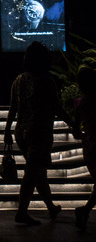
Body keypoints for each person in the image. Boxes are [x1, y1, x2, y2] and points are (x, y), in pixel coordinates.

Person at [4, 41, 67, 226]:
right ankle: (22, 212)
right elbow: (57, 107)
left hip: (21, 132)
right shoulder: (46, 81)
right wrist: (73, 124)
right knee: (32, 173)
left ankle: (50, 207)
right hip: (39, 132)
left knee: (37, 172)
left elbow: (12, 108)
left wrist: (7, 130)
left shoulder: (19, 79)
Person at [73, 66, 96, 231]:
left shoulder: (80, 103)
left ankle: (85, 211)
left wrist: (85, 136)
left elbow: (75, 130)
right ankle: (85, 210)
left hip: (89, 145)